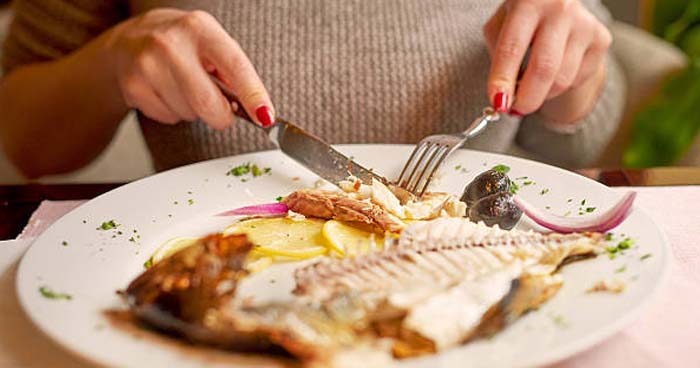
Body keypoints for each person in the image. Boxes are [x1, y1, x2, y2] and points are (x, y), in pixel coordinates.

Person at [0, 0, 625, 178]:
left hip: (482, 270)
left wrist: (576, 70)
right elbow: (29, 146)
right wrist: (113, 62)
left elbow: (575, 144)